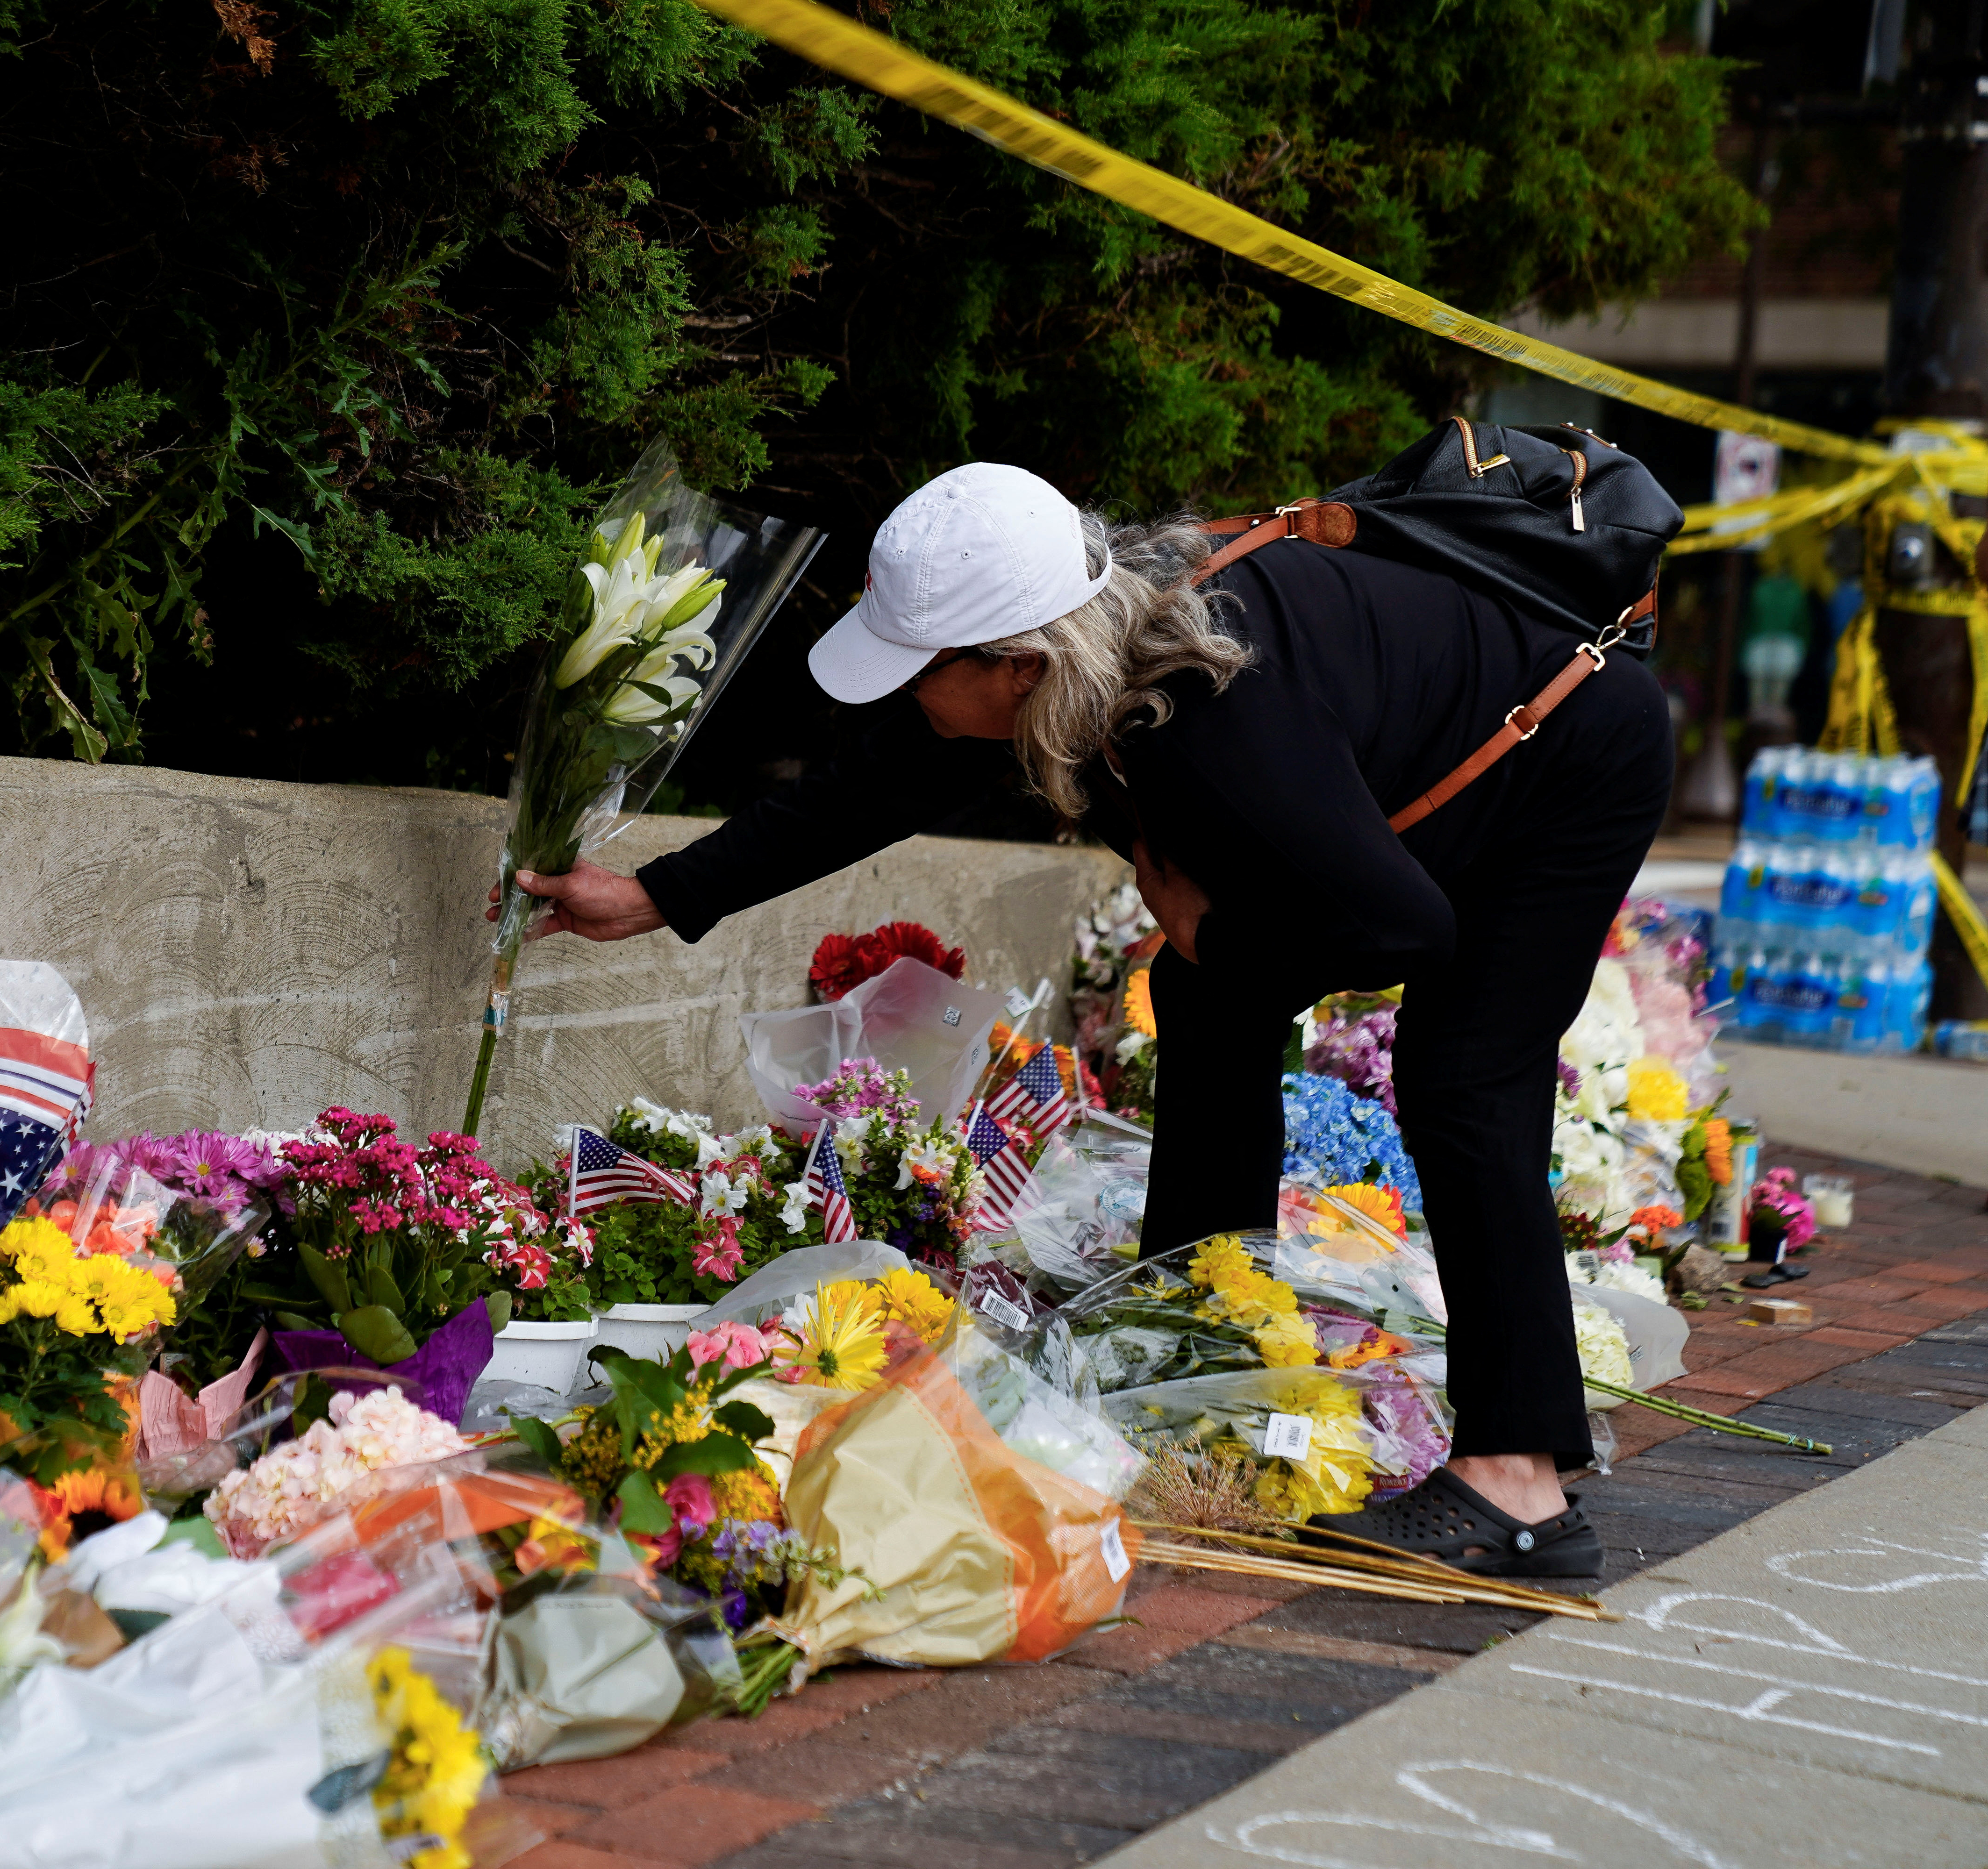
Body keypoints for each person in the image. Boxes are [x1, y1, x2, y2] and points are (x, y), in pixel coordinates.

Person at [491, 461, 1673, 1579]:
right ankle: (1195, 1350)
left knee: (1467, 1080)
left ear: (1014, 665)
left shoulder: (1212, 722)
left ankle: (1516, 1481)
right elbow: (878, 785)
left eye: (918, 669)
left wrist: (1210, 934)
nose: (906, 697)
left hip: (1568, 759)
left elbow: (1406, 931)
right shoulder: (1087, 656)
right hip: (1463, 745)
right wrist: (655, 894)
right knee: (1213, 1004)